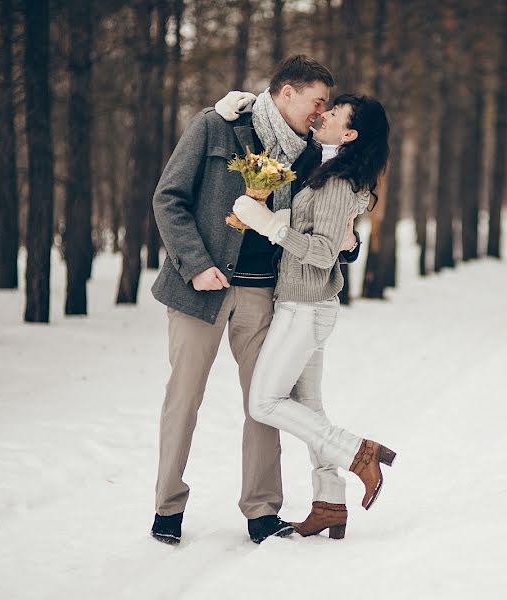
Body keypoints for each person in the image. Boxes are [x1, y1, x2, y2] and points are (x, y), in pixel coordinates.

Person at [150, 55, 359, 546]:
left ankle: (263, 511)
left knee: (264, 402)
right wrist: (196, 264)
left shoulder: (311, 152)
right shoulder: (216, 126)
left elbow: (335, 210)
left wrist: (350, 243)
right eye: (317, 101)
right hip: (199, 287)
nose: (321, 112)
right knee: (184, 398)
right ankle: (167, 507)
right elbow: (169, 198)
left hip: (265, 292)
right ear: (287, 92)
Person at [230, 93, 396, 540]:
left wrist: (268, 224)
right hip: (307, 304)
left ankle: (359, 454)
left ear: (349, 134)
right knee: (310, 408)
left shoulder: (338, 182)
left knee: (263, 402)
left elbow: (323, 253)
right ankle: (329, 503)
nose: (321, 116)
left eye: (334, 113)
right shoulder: (330, 171)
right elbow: (329, 236)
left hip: (304, 306)